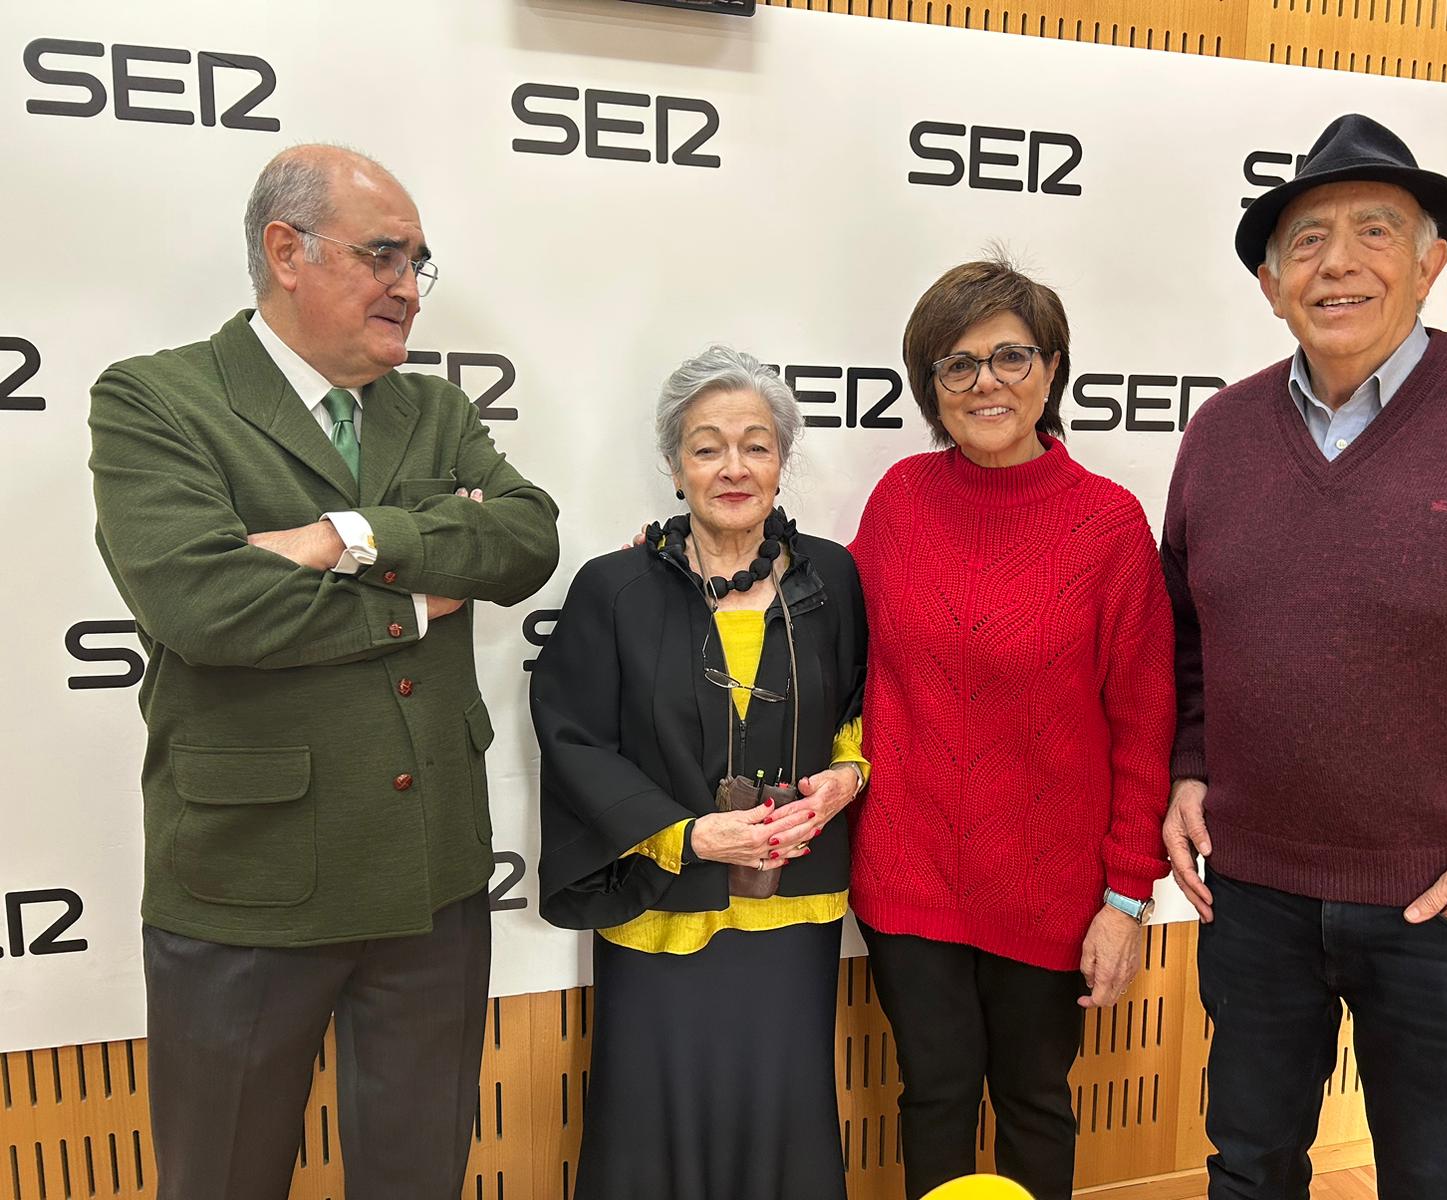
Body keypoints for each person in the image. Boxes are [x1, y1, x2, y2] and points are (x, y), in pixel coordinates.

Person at [87, 145, 560, 1200]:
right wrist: (417, 585)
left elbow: (524, 542)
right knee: (222, 1179)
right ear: (285, 251)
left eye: (418, 263)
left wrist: (336, 535)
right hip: (248, 887)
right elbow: (201, 607)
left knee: (417, 1178)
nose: (407, 287)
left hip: (430, 881)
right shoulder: (157, 400)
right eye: (383, 255)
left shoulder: (432, 410)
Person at [1161, 113, 1447, 1199]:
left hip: (1446, 902)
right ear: (1269, 283)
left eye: (1373, 230)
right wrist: (1187, 767)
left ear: (1429, 258)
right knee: (1249, 1169)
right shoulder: (1218, 434)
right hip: (1253, 899)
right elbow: (1188, 639)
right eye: (1305, 241)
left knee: (1436, 1182)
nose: (1337, 263)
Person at [848, 257, 1176, 1200]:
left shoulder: (1107, 526)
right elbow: (828, 633)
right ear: (931, 388)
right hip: (908, 869)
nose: (986, 381)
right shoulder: (902, 500)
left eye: (1010, 356)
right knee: (934, 1095)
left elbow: (1144, 728)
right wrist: (687, 562)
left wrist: (1126, 900)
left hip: (1050, 884)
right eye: (958, 364)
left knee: (1035, 1100)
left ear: (1053, 369)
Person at [533, 346, 869, 1200]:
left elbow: (866, 706)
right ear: (674, 466)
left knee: (783, 1100)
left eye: (756, 445)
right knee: (653, 1109)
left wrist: (848, 776)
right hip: (662, 904)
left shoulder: (831, 575)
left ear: (783, 461)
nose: (733, 467)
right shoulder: (616, 587)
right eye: (707, 446)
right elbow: (574, 740)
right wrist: (686, 834)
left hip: (793, 902)